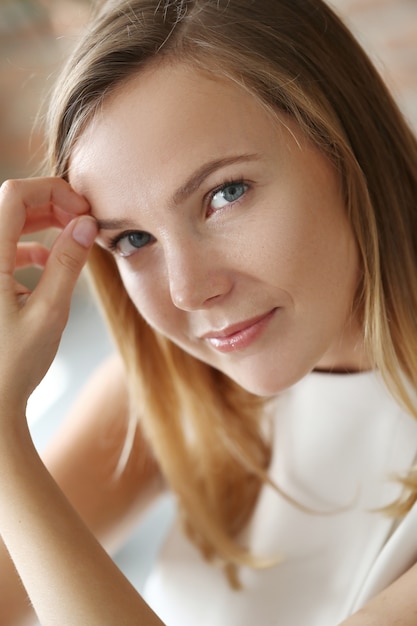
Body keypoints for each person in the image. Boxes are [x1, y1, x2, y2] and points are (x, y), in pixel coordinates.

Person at [1, 0, 417, 623]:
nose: (187, 291)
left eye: (225, 194)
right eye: (133, 240)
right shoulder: (183, 383)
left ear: (344, 143)